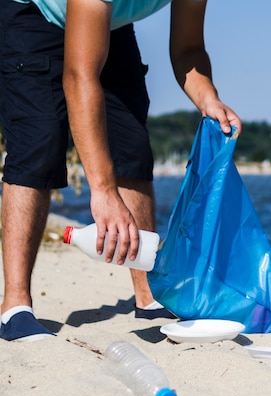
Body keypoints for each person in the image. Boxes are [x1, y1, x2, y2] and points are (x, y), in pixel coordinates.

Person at [0, 0, 242, 341]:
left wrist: (208, 99)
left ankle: (148, 295)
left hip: (106, 24)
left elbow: (188, 48)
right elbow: (78, 76)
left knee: (132, 146)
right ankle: (15, 306)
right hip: (36, 15)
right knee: (38, 143)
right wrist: (103, 192)